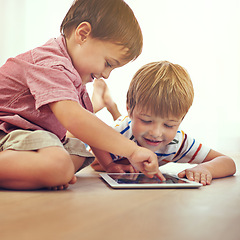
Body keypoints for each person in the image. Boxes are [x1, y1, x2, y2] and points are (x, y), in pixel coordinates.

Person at [0, 0, 164, 191]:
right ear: (83, 34)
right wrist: (132, 150)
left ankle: (39, 172)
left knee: (79, 152)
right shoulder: (51, 64)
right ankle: (48, 171)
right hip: (6, 130)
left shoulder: (73, 79)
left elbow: (87, 130)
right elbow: (75, 120)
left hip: (26, 135)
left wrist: (108, 164)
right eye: (108, 63)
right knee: (60, 165)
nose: (106, 74)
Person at [91, 61, 236, 186]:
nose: (156, 133)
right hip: (118, 130)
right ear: (129, 108)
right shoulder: (121, 132)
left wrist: (207, 169)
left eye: (169, 125)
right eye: (147, 121)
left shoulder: (178, 141)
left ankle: (110, 105)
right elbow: (93, 138)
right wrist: (109, 165)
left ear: (181, 120)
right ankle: (96, 106)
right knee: (86, 148)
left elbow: (227, 162)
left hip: (129, 125)